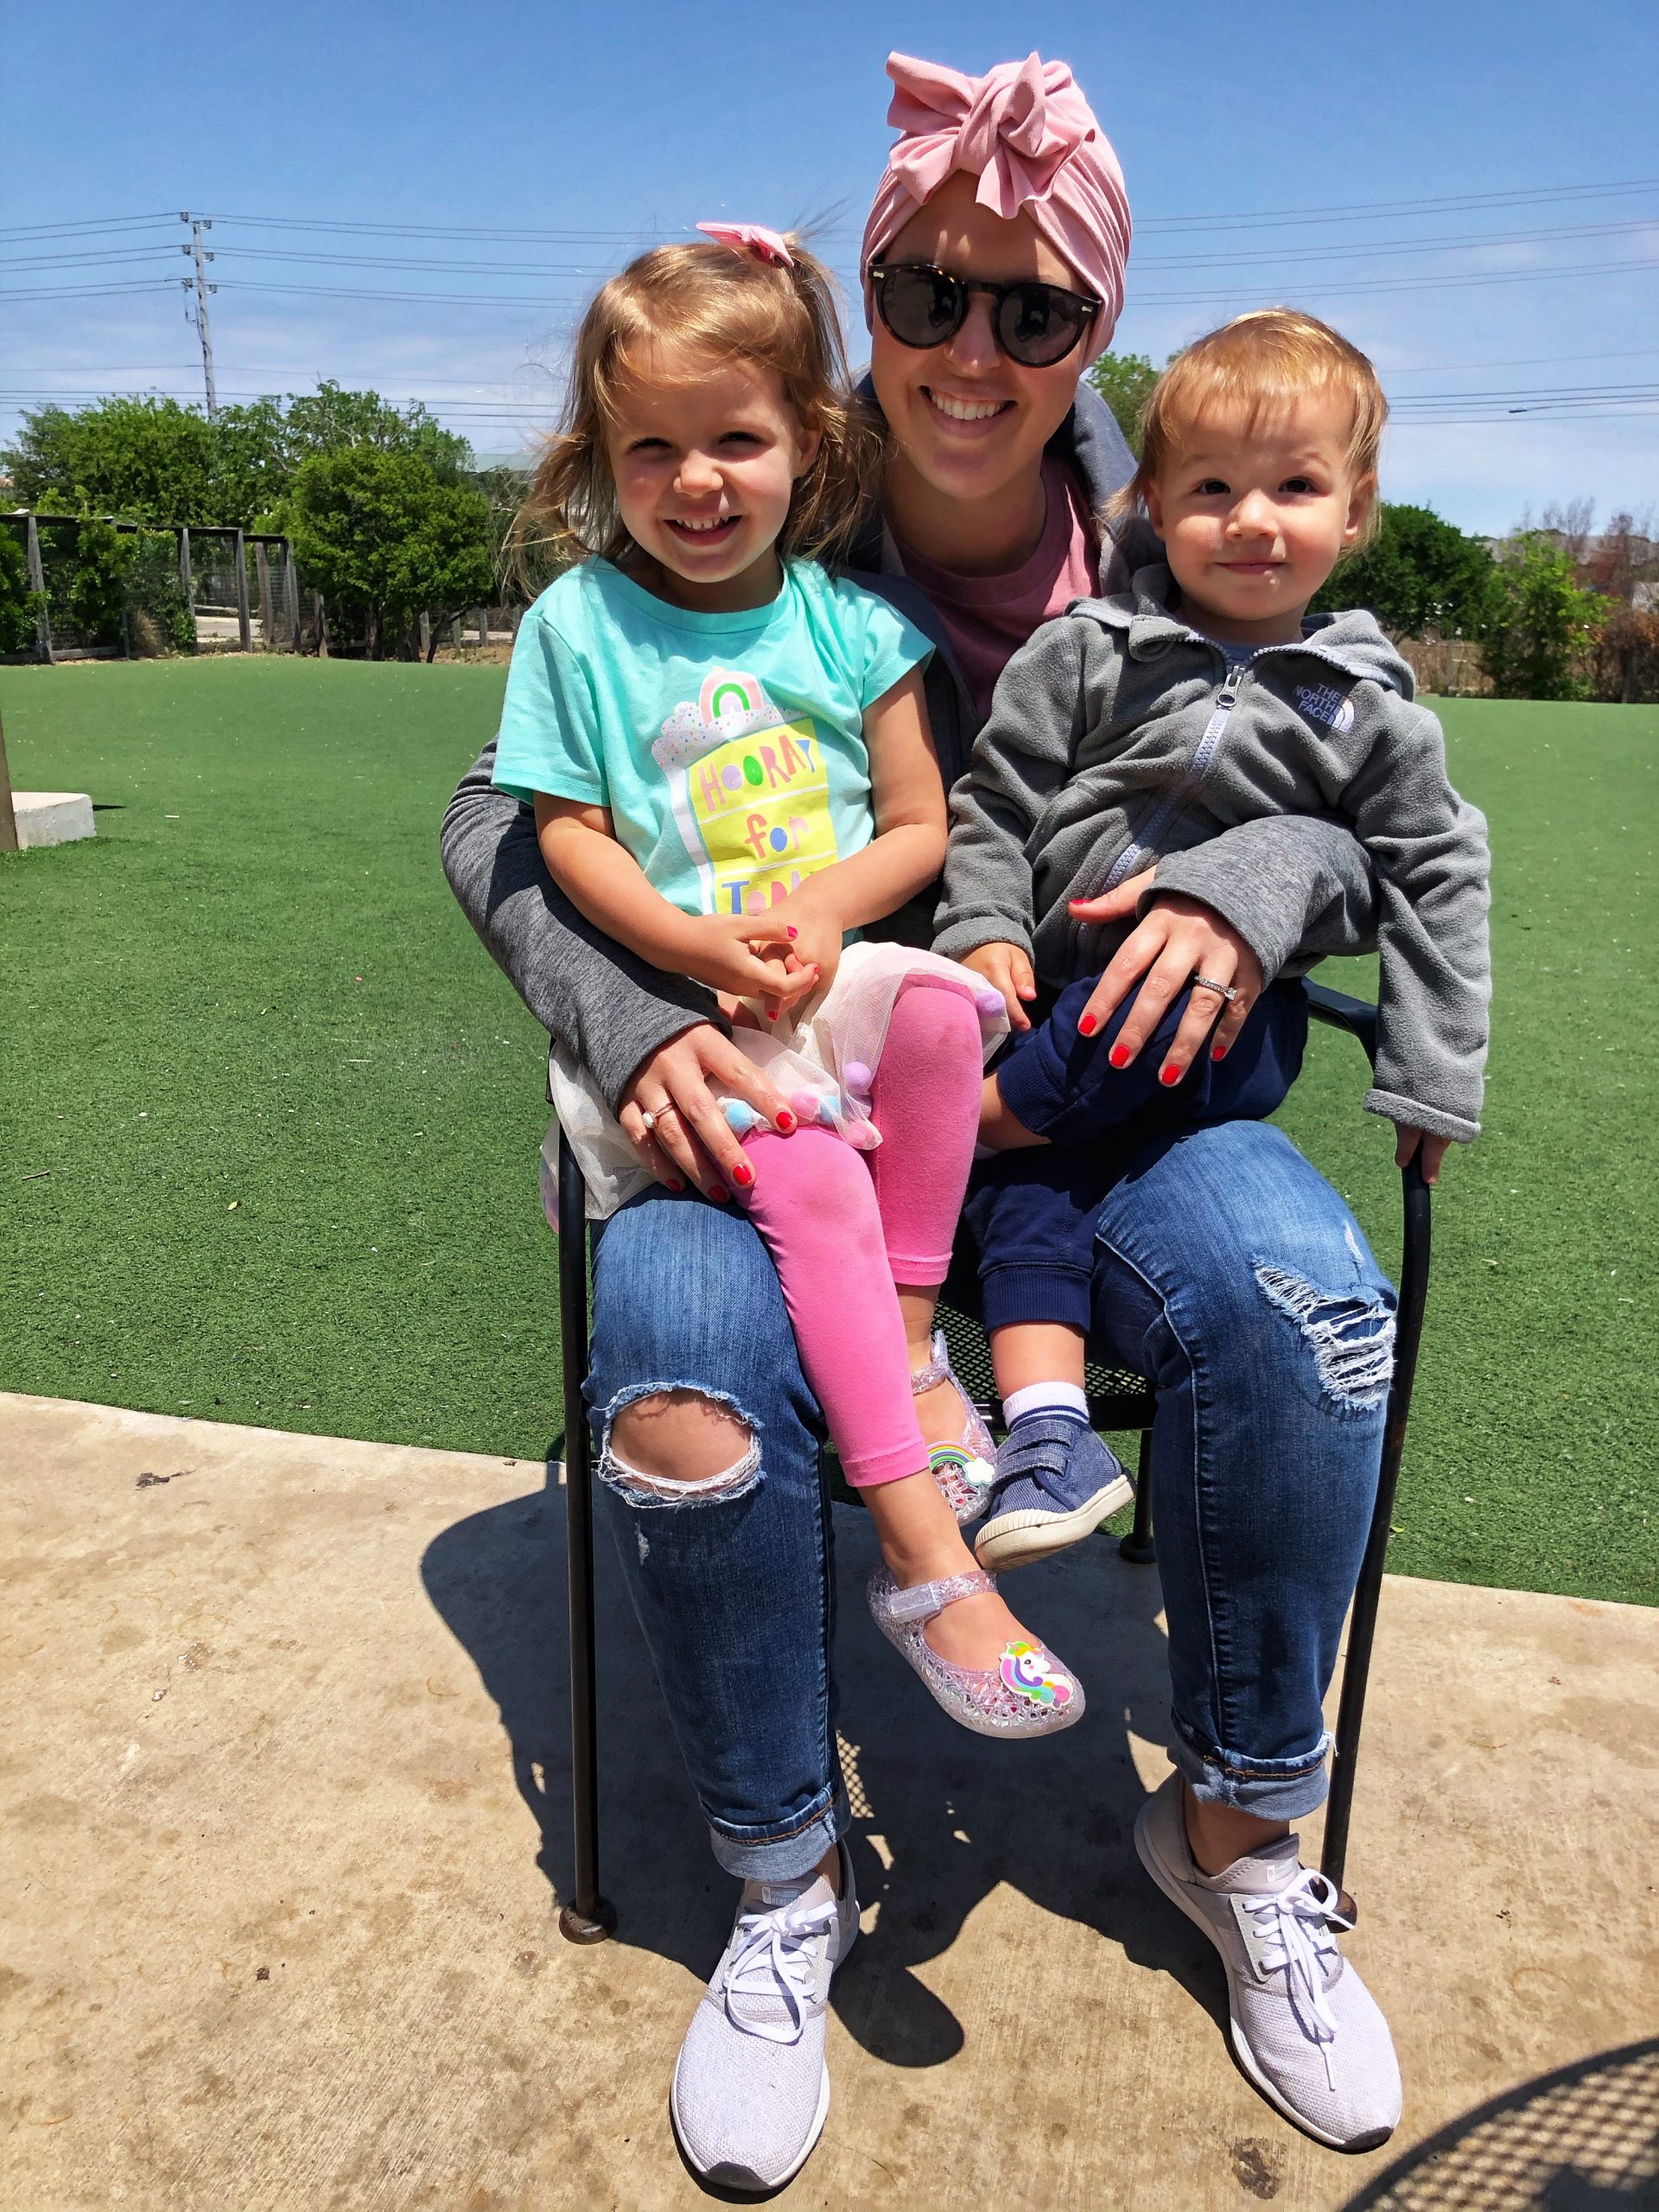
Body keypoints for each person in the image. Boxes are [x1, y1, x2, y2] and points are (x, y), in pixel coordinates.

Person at [442, 49, 1402, 2190]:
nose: (976, 349)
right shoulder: (770, 481)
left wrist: (1261, 887)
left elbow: (1376, 792)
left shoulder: (1203, 514)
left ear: (1098, 335)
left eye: (1036, 308)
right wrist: (631, 1017)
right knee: (689, 1373)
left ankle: (1236, 1832)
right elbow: (493, 820)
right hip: (768, 1086)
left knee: (1308, 1305)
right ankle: (789, 1882)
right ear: (863, 298)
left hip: (1090, 1106)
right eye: (929, 292)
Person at [492, 222, 1084, 1736]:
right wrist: (690, 950)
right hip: (682, 1022)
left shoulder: (854, 624)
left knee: (954, 1010)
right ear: (597, 455)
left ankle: (901, 1345)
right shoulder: (578, 626)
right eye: (652, 449)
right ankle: (919, 1550)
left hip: (824, 983)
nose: (697, 482)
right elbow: (560, 834)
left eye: (735, 441)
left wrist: (821, 918)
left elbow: (919, 826)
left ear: (806, 442)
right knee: (811, 1175)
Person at [944, 308, 1491, 1592]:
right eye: (1213, 489)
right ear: (1154, 508)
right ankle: (1049, 1437)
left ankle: (944, 1129)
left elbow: (1434, 865)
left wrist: (1433, 1075)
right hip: (1050, 1003)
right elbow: (996, 798)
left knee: (1020, 1123)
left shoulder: (1359, 703)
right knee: (1036, 1196)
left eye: (1295, 487)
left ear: (1355, 512)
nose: (1253, 520)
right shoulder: (1089, 650)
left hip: (1212, 1031)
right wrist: (977, 926)